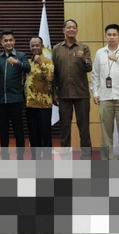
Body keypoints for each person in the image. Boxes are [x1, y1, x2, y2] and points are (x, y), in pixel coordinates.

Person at [92, 24, 119, 160]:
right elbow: (95, 75)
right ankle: (108, 161)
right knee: (106, 132)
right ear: (105, 36)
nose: (111, 37)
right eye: (109, 35)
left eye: (114, 35)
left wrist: (117, 59)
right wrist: (95, 93)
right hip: (105, 97)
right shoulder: (100, 53)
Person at [52, 19, 93, 160]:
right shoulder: (57, 48)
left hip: (81, 94)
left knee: (84, 127)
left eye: (73, 27)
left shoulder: (83, 47)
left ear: (77, 30)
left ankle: (86, 156)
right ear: (63, 30)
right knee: (64, 127)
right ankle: (64, 155)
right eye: (68, 27)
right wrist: (54, 92)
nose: (71, 29)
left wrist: (83, 59)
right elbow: (54, 72)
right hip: (63, 94)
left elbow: (89, 67)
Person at [0, 30, 30, 160]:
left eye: (10, 40)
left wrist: (18, 62)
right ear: (1, 43)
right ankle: (4, 156)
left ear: (14, 41)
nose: (8, 43)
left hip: (16, 100)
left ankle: (20, 157)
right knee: (3, 131)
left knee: (19, 130)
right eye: (6, 40)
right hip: (1, 101)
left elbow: (28, 68)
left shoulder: (21, 55)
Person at [25, 37, 54, 160]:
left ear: (42, 46)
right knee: (33, 134)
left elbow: (50, 78)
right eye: (32, 45)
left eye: (37, 45)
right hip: (30, 104)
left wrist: (41, 63)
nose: (35, 48)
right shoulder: (28, 62)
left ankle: (47, 159)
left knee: (45, 134)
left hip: (44, 104)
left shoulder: (48, 61)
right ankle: (35, 158)